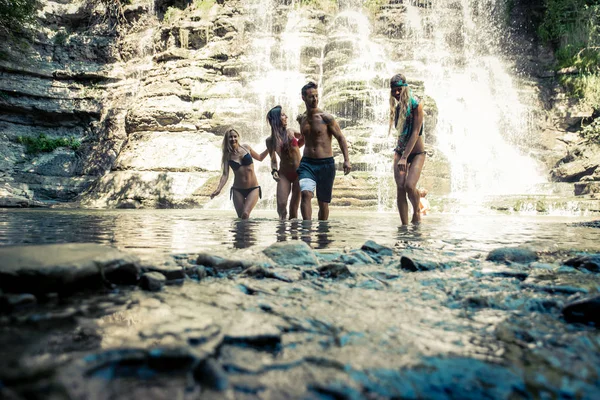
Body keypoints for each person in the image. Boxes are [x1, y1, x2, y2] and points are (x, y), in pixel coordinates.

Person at [297, 82, 351, 221]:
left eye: (316, 96)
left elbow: (340, 137)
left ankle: (322, 234)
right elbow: (304, 139)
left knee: (323, 202)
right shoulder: (302, 119)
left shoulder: (326, 118)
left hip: (325, 164)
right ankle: (306, 232)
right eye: (311, 97)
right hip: (307, 163)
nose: (314, 99)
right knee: (306, 194)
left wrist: (346, 160)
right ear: (303, 98)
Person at [388, 73, 426, 225]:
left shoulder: (416, 104)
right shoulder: (397, 108)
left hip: (416, 153)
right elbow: (400, 134)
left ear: (405, 88)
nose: (396, 93)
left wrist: (405, 157)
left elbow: (416, 132)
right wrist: (400, 155)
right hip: (400, 151)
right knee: (400, 187)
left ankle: (416, 211)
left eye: (399, 89)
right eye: (394, 90)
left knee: (410, 186)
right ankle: (404, 226)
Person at [210, 128, 268, 219]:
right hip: (237, 190)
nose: (233, 139)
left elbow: (260, 157)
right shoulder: (227, 156)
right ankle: (243, 233)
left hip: (253, 188)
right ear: (227, 139)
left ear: (238, 137)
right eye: (230, 137)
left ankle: (248, 233)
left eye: (235, 136)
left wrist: (269, 148)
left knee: (245, 214)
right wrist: (219, 189)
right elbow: (225, 175)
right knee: (241, 218)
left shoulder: (246, 148)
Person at [266, 105, 305, 220]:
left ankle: (294, 236)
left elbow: (305, 137)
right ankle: (281, 234)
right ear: (276, 119)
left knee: (294, 208)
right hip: (284, 174)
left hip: (299, 172)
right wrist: (273, 171)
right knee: (281, 205)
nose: (286, 117)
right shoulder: (270, 141)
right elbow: (273, 160)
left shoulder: (291, 132)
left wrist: (303, 122)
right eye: (283, 115)